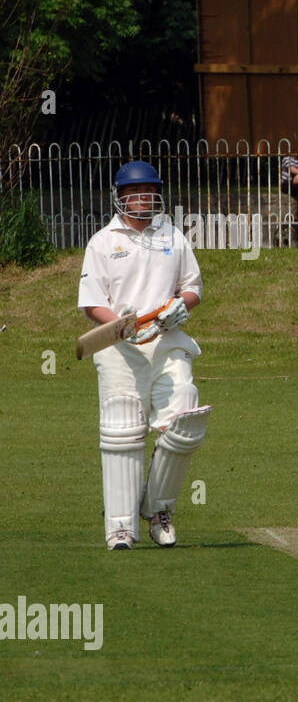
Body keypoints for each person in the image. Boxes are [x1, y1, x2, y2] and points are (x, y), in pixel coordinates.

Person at [77, 161, 208, 550]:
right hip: (121, 347)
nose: (144, 198)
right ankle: (121, 527)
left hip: (167, 341)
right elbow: (91, 303)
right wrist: (122, 325)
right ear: (120, 197)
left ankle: (158, 509)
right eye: (136, 192)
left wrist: (180, 307)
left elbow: (193, 287)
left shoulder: (172, 236)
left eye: (150, 191)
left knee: (185, 415)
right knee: (122, 430)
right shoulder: (103, 242)